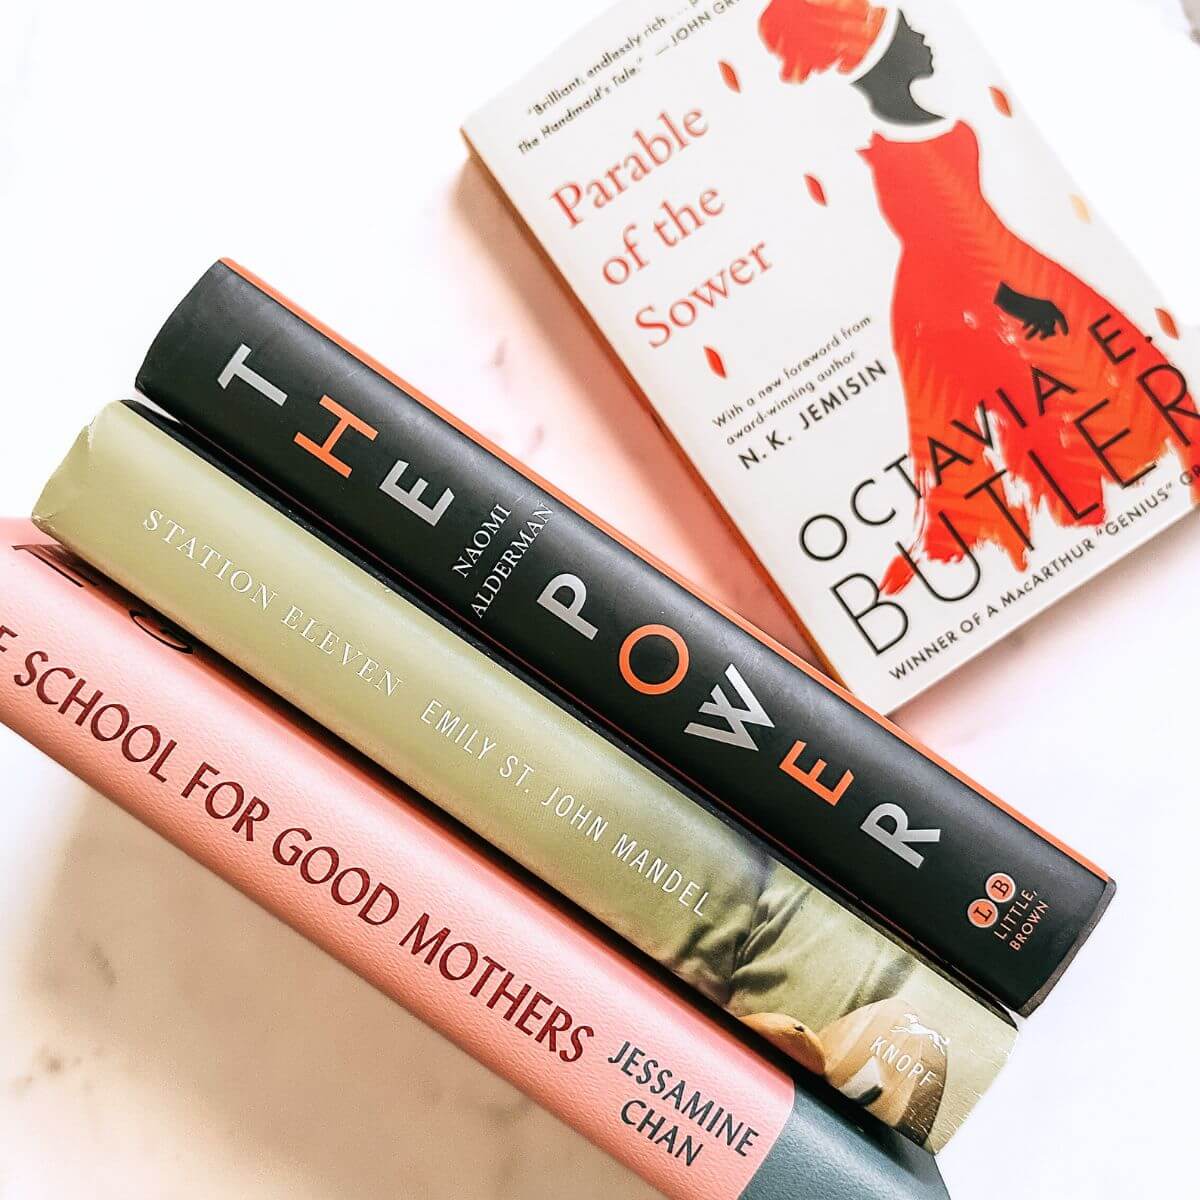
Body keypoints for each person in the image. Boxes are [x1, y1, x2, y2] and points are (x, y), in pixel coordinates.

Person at [759, 0, 1200, 593]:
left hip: (1003, 265)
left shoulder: (935, 127)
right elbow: (945, 248)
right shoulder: (896, 157)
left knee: (1087, 382)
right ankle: (1064, 526)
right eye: (906, 29)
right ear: (885, 59)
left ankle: (1110, 497)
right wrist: (1018, 303)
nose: (921, 33)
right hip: (957, 301)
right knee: (1026, 412)